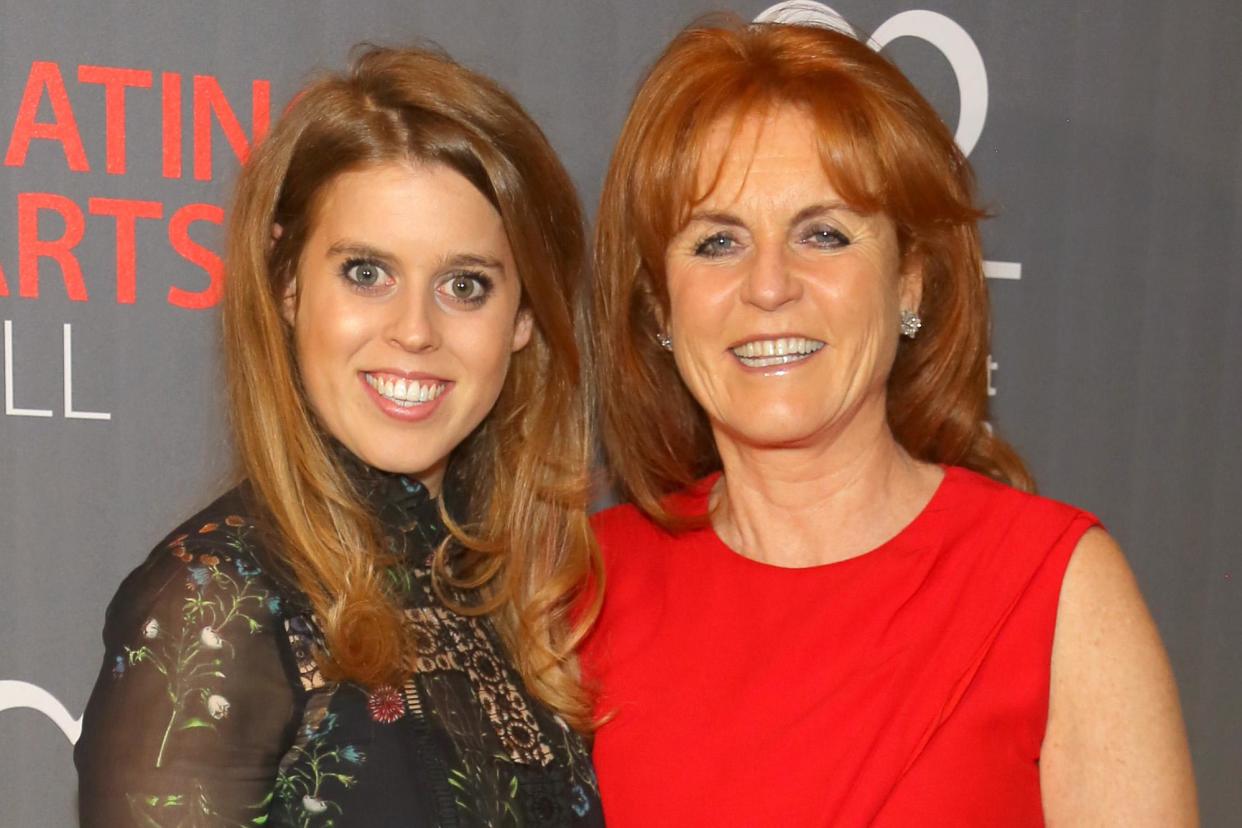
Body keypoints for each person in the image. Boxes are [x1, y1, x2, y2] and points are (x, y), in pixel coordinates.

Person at [584, 16, 1197, 826]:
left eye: (824, 234)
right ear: (662, 305)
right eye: (718, 241)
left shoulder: (1052, 592)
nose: (770, 285)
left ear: (909, 281)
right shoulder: (580, 595)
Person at [75, 45, 602, 827]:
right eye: (366, 273)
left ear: (523, 317)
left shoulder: (520, 596)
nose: (415, 331)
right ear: (288, 284)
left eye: (465, 285)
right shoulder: (214, 603)